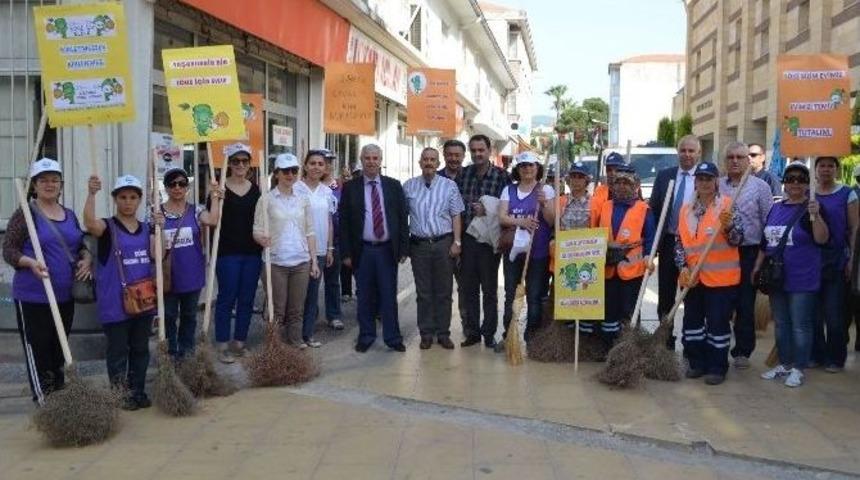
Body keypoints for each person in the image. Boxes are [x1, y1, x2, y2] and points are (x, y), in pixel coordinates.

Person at [3, 158, 92, 405]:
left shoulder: (70, 214)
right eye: (43, 180)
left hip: (65, 296)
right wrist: (29, 262)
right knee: (39, 350)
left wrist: (86, 259)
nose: (50, 184)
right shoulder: (26, 213)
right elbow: (8, 249)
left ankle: (60, 399)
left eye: (54, 180)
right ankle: (45, 403)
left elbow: (80, 245)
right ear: (34, 185)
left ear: (61, 184)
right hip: (34, 296)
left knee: (58, 350)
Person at [84, 174, 158, 410]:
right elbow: (89, 224)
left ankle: (138, 390)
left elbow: (159, 255)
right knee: (117, 352)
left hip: (143, 301)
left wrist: (160, 228)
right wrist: (91, 194)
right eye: (123, 197)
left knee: (140, 349)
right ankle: (119, 394)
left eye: (133, 197)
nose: (128, 202)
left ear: (139, 200)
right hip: (115, 303)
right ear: (115, 199)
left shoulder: (148, 228)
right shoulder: (107, 227)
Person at [755, 161, 828, 388]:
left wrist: (816, 216)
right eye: (790, 179)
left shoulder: (812, 207)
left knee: (800, 324)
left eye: (801, 179)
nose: (795, 183)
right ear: (784, 183)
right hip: (777, 277)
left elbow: (822, 239)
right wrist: (757, 267)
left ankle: (799, 368)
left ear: (808, 183)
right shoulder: (776, 208)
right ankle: (785, 363)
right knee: (782, 323)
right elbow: (765, 242)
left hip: (803, 277)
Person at [675, 162, 744, 385]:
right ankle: (697, 363)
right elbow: (680, 242)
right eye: (700, 178)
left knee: (717, 325)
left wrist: (730, 226)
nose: (704, 183)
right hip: (693, 279)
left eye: (708, 178)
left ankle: (717, 367)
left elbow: (738, 239)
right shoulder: (686, 210)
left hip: (721, 281)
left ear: (716, 182)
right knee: (692, 324)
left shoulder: (727, 206)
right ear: (695, 181)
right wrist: (682, 266)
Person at [339, 144, 409, 352]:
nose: (371, 162)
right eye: (367, 158)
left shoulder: (394, 186)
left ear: (381, 161)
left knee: (389, 295)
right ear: (361, 160)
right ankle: (366, 335)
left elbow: (401, 218)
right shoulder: (351, 187)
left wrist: (404, 248)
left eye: (375, 158)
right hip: (363, 250)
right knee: (365, 295)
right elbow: (344, 223)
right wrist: (346, 253)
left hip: (387, 249)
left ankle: (393, 337)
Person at [253, 153, 319, 347]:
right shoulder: (266, 199)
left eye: (294, 171)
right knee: (277, 308)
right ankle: (275, 344)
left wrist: (314, 261)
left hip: (301, 261)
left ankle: (296, 340)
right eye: (286, 171)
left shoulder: (303, 198)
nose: (290, 175)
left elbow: (310, 231)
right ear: (277, 174)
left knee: (297, 308)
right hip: (275, 262)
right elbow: (256, 229)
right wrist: (261, 239)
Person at [584, 165, 655, 343]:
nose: (622, 186)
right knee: (609, 311)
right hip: (608, 269)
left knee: (629, 312)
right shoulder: (606, 206)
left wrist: (648, 256)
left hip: (632, 272)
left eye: (626, 183)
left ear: (635, 185)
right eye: (618, 182)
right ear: (613, 186)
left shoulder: (643, 209)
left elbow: (651, 238)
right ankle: (609, 347)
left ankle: (630, 349)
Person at [717, 142, 773, 369]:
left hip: (748, 252)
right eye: (730, 157)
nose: (735, 161)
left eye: (740, 156)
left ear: (748, 160)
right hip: (721, 253)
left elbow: (769, 223)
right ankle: (718, 346)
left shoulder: (760, 187)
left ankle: (742, 350)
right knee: (722, 302)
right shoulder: (717, 186)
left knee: (744, 303)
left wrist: (763, 259)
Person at [158, 167, 222, 359]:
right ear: (167, 187)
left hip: (191, 275)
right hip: (168, 277)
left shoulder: (196, 210)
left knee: (189, 316)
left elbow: (212, 220)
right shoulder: (156, 213)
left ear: (187, 187)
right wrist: (157, 227)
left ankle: (187, 353)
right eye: (173, 184)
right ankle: (170, 353)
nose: (177, 188)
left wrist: (215, 196)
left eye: (182, 184)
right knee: (168, 317)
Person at [404, 147, 464, 349]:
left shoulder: (450, 186)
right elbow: (402, 215)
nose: (429, 163)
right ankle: (426, 333)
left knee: (444, 291)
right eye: (425, 159)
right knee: (423, 292)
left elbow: (456, 215)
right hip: (419, 245)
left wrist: (457, 242)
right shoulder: (409, 186)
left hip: (443, 244)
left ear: (438, 164)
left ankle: (443, 333)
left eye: (433, 160)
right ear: (420, 163)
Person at [456, 134, 510, 348]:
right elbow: (456, 208)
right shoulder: (463, 174)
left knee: (489, 290)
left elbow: (508, 207)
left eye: (482, 150)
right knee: (469, 288)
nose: (478, 154)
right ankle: (472, 333)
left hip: (490, 241)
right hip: (468, 239)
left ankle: (489, 334)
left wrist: (488, 209)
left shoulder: (502, 176)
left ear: (490, 151)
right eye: (474, 150)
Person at [498, 152, 556, 347]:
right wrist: (521, 221)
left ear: (537, 168)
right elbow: (502, 217)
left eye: (530, 165)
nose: (527, 169)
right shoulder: (509, 190)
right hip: (513, 252)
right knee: (510, 295)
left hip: (538, 253)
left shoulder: (546, 190)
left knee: (534, 295)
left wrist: (544, 203)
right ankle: (508, 335)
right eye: (523, 166)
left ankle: (532, 337)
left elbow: (552, 220)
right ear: (518, 169)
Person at [212, 143, 263, 363]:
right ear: (229, 164)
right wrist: (215, 198)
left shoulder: (256, 190)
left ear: (249, 165)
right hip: (227, 253)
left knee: (247, 299)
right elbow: (212, 220)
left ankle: (239, 342)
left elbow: (262, 219)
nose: (240, 165)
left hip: (252, 253)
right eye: (235, 161)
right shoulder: (219, 189)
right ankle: (222, 344)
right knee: (226, 298)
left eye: (244, 161)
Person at [650, 134, 701, 350]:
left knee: (690, 294)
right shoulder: (665, 176)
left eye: (691, 151)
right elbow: (654, 209)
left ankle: (691, 342)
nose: (687, 154)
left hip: (694, 245)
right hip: (669, 242)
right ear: (677, 152)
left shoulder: (706, 178)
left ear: (698, 153)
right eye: (683, 150)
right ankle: (665, 339)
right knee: (665, 294)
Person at [812, 156, 858, 372]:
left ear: (837, 170)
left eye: (831, 166)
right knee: (814, 313)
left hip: (837, 261)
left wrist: (851, 260)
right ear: (816, 169)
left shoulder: (847, 194)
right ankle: (817, 355)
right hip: (811, 263)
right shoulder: (808, 194)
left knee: (834, 314)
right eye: (822, 166)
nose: (826, 169)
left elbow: (855, 229)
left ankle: (835, 358)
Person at [297, 150, 337, 347]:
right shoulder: (295, 188)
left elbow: (329, 221)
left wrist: (329, 248)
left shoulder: (327, 192)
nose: (316, 167)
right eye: (312, 163)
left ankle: (307, 334)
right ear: (305, 166)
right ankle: (292, 336)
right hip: (298, 250)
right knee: (297, 297)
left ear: (325, 168)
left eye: (320, 164)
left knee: (312, 295)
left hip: (320, 250)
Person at [440, 139, 468, 330]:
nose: (453, 158)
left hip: (468, 240)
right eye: (450, 154)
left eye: (457, 155)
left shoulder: (470, 176)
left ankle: (467, 326)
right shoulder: (435, 176)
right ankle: (441, 329)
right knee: (441, 288)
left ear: (463, 156)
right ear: (444, 155)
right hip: (442, 241)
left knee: (465, 287)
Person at [320, 148, 344, 330]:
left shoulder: (341, 186)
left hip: (335, 241)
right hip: (311, 242)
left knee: (333, 281)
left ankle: (334, 315)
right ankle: (309, 316)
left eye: (329, 162)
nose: (326, 166)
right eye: (322, 162)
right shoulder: (306, 187)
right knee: (309, 284)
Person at [590, 151, 625, 225]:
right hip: (602, 232)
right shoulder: (599, 190)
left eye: (616, 169)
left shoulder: (631, 190)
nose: (612, 173)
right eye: (609, 170)